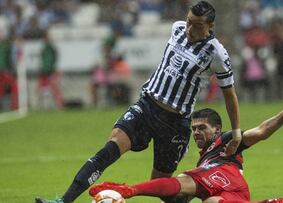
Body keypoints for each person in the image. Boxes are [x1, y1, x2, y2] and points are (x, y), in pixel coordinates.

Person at [35, 1, 242, 203]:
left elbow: (230, 95)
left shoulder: (217, 53)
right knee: (108, 151)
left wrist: (236, 133)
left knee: (161, 187)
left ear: (210, 26)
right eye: (189, 21)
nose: (189, 28)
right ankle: (63, 200)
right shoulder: (177, 29)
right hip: (147, 107)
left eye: (197, 25)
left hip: (174, 124)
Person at [89, 89, 283, 203]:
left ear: (216, 129)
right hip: (231, 196)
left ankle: (128, 190)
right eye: (194, 129)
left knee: (185, 180)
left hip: (227, 178)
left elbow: (261, 131)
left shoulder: (226, 141)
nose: (196, 132)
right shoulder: (204, 158)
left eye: (202, 128)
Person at [37, 32, 63, 110]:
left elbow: (56, 55)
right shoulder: (44, 48)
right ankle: (41, 106)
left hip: (51, 71)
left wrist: (53, 66)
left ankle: (59, 105)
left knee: (55, 88)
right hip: (44, 71)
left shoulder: (51, 47)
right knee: (41, 88)